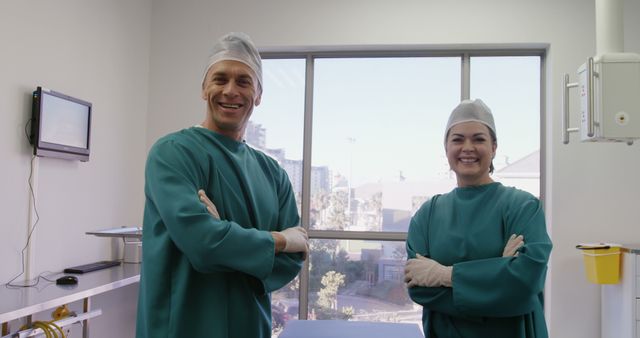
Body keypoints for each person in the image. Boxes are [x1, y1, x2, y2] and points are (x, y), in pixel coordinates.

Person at [136, 32, 309, 338]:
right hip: (181, 328)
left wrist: (226, 238)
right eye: (220, 79)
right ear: (204, 88)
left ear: (258, 94)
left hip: (251, 327)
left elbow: (292, 262)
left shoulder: (273, 173)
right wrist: (279, 241)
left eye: (243, 82)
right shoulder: (173, 153)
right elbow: (202, 243)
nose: (230, 91)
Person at [404, 99, 552, 338]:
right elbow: (418, 287)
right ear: (446, 149)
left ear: (494, 147)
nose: (468, 147)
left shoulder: (522, 207)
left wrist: (445, 275)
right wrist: (499, 274)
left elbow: (526, 282)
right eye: (458, 139)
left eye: (479, 139)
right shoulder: (427, 214)